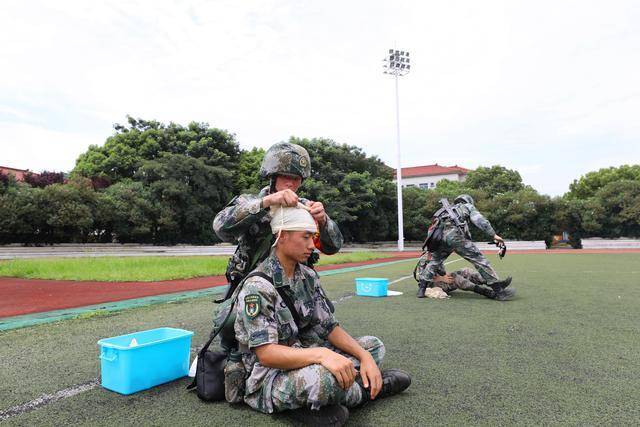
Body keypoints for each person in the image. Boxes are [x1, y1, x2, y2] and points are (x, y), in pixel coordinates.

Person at [217, 204, 411, 426]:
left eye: (314, 238)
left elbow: (329, 328)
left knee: (373, 346)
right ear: (281, 237)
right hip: (269, 375)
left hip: (304, 353)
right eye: (306, 237)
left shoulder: (307, 276)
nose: (312, 246)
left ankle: (330, 399)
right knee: (324, 378)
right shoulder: (258, 286)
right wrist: (322, 356)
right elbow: (267, 354)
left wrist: (365, 357)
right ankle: (366, 392)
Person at [213, 142, 343, 300]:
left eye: (297, 178)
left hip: (296, 291)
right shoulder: (250, 202)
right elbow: (221, 228)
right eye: (286, 176)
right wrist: (267, 202)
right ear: (272, 176)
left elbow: (333, 247)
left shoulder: (305, 208)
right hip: (253, 289)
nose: (292, 183)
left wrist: (323, 221)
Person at [416, 194, 512, 298]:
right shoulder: (466, 206)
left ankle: (422, 289)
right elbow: (480, 221)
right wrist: (493, 234)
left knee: (434, 262)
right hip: (454, 236)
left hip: (439, 239)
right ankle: (499, 291)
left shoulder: (443, 211)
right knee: (479, 260)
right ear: (468, 201)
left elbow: (432, 229)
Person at [427, 264, 515, 301]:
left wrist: (445, 275)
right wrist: (442, 278)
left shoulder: (437, 256)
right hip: (434, 287)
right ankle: (488, 292)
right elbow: (424, 279)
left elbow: (441, 272)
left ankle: (495, 284)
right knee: (455, 277)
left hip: (442, 281)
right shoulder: (425, 260)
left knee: (465, 270)